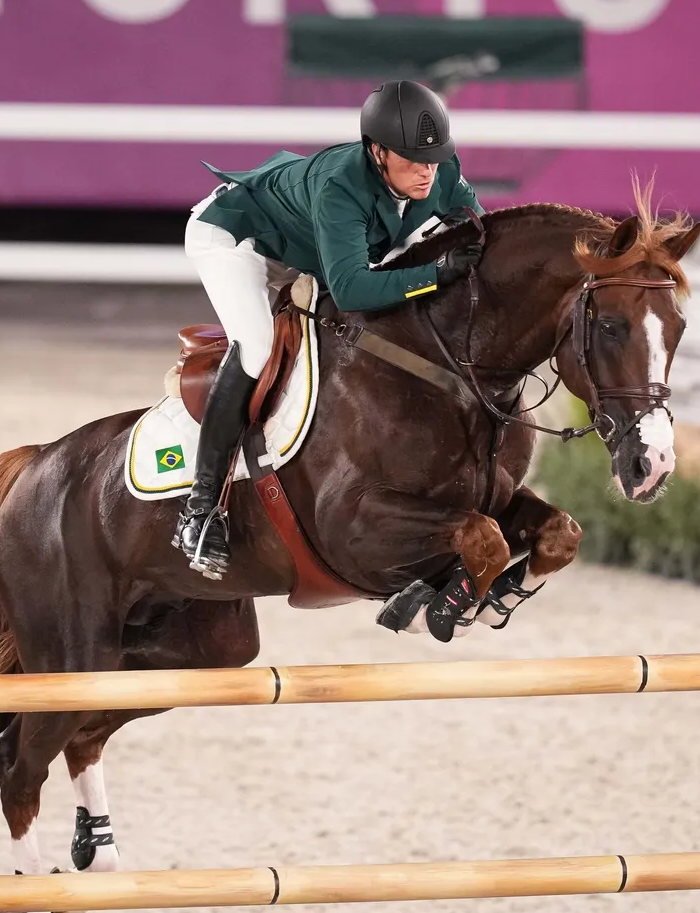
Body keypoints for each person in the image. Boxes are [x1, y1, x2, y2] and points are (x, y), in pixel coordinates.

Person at [176, 78, 483, 577]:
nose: (427, 171)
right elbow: (354, 290)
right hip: (238, 239)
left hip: (307, 251)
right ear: (378, 152)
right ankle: (201, 508)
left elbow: (475, 230)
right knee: (256, 347)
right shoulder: (342, 184)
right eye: (412, 160)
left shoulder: (440, 170)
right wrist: (434, 275)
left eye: (434, 158)